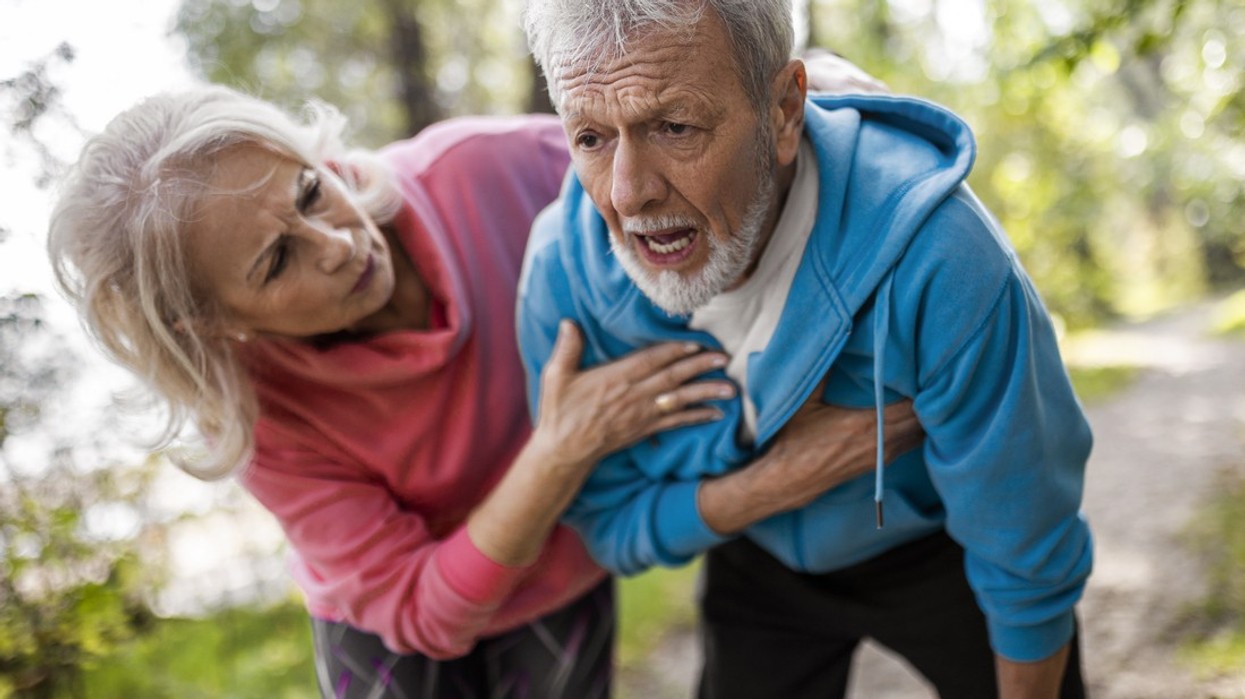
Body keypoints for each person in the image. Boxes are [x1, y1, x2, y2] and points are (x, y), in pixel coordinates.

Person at [46, 83, 922, 698]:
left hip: (557, 573)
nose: (336, 242)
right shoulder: (258, 411)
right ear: (212, 324)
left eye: (310, 189)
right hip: (392, 615)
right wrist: (560, 448)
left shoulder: (489, 170)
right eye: (276, 261)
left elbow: (683, 177)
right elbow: (422, 610)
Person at [517, 1, 1094, 697]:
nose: (628, 192)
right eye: (589, 137)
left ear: (784, 111)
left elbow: (1024, 538)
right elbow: (606, 524)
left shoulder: (940, 255)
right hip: (753, 553)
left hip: (937, 544)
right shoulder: (560, 276)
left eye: (673, 126)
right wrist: (775, 482)